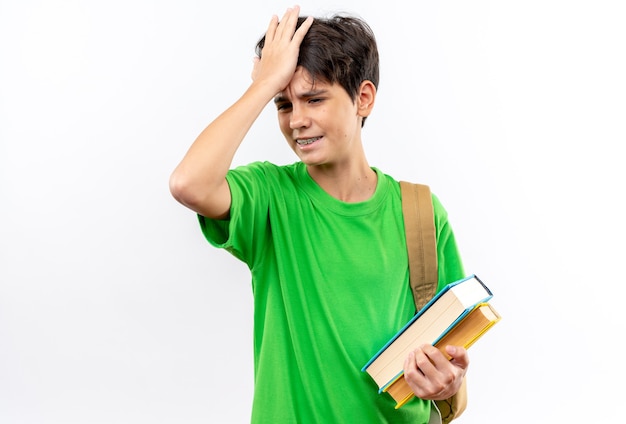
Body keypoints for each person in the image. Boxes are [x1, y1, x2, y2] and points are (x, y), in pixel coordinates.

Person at [170, 6, 468, 423]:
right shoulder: (271, 197)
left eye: (314, 99)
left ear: (363, 98)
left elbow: (452, 361)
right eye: (283, 105)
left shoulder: (419, 212)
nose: (298, 121)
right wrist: (263, 85)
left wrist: (449, 383)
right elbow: (189, 184)